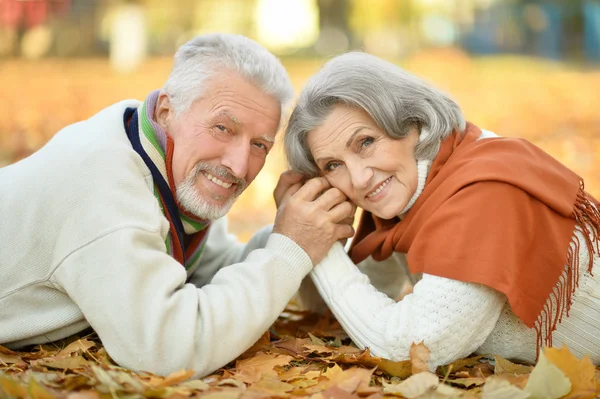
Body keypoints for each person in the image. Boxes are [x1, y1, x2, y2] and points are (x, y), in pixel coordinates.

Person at [0, 34, 356, 377]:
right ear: (168, 109)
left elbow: (209, 272)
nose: (238, 165)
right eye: (222, 128)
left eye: (259, 145)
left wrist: (298, 229)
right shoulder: (104, 186)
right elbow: (165, 349)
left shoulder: (148, 146)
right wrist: (291, 248)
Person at [286, 51, 600, 369]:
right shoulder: (408, 197)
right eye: (333, 165)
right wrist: (313, 229)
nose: (359, 178)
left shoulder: (478, 193)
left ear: (413, 120)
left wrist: (318, 245)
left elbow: (411, 349)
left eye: (365, 142)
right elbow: (335, 307)